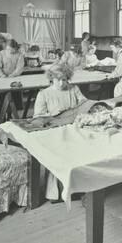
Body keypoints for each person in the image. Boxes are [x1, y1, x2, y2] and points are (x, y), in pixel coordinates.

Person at [33, 62, 88, 201]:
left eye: (65, 79)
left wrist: (80, 104)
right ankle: (56, 193)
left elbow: (85, 103)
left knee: (78, 156)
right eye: (58, 80)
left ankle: (77, 189)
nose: (62, 83)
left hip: (74, 128)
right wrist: (51, 114)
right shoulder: (44, 94)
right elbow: (37, 117)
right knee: (58, 157)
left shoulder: (73, 89)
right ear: (51, 78)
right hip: (55, 130)